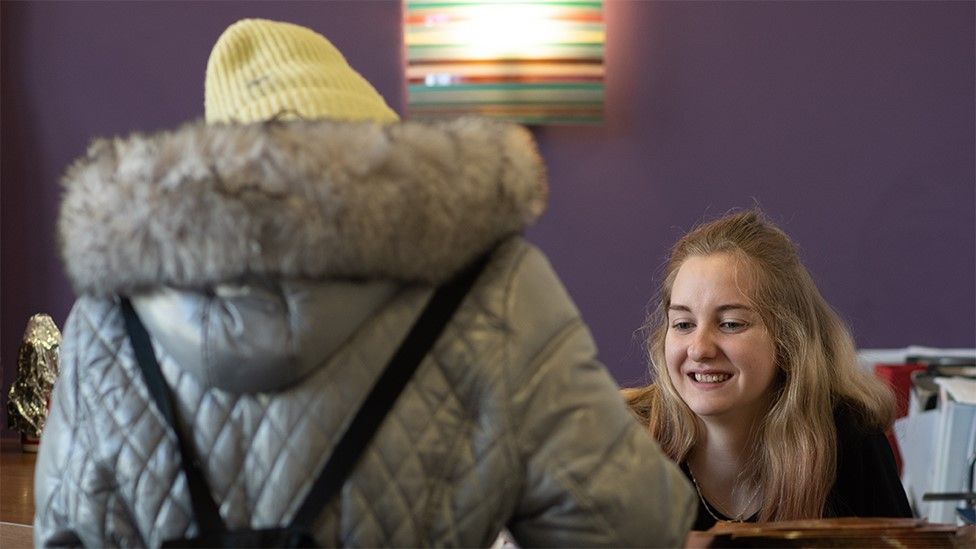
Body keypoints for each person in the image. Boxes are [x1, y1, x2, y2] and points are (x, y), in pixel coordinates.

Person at [34, 18, 695, 547]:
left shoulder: (109, 316)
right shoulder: (498, 290)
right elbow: (631, 527)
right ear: (379, 148)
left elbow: (64, 531)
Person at [624, 209, 912, 531]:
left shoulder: (849, 437)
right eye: (683, 324)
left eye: (731, 324)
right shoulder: (619, 438)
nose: (699, 349)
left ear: (789, 339)